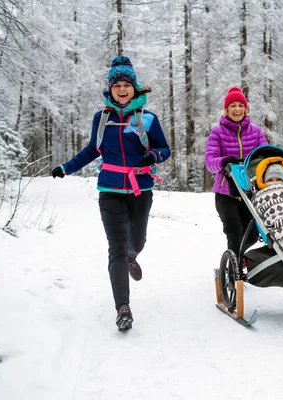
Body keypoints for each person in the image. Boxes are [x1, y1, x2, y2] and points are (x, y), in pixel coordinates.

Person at [51, 55, 170, 331]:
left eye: (127, 84)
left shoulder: (148, 119)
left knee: (137, 241)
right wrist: (66, 168)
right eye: (117, 85)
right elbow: (93, 150)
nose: (122, 89)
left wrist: (151, 155)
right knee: (115, 246)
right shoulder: (101, 118)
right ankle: (123, 308)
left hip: (141, 188)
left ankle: (133, 256)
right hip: (110, 190)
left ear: (135, 87)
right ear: (110, 89)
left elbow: (165, 150)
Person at [204, 87, 268, 257]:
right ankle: (233, 275)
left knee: (253, 234)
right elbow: (210, 161)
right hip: (226, 193)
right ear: (226, 109)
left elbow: (266, 155)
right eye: (233, 106)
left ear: (246, 109)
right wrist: (223, 161)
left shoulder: (256, 132)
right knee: (234, 231)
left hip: (250, 192)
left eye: (241, 105)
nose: (237, 109)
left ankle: (237, 258)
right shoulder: (217, 132)